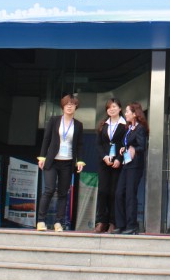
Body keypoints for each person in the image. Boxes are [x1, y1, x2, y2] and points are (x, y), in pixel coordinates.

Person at [36, 94, 85, 232]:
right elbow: (46, 139)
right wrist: (42, 157)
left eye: (72, 104)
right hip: (52, 161)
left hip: (68, 162)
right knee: (49, 190)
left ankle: (59, 222)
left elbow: (80, 144)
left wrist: (80, 160)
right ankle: (41, 221)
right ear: (63, 106)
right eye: (67, 104)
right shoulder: (54, 120)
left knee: (63, 193)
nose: (69, 106)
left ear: (76, 107)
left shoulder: (78, 125)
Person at [113, 102, 148, 235]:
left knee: (130, 194)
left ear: (135, 114)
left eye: (128, 111)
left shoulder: (140, 128)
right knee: (119, 193)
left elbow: (142, 146)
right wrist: (124, 149)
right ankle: (121, 224)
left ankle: (132, 225)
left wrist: (134, 149)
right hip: (126, 163)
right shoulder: (129, 128)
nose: (126, 114)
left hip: (135, 165)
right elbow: (127, 144)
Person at [94, 98, 126, 233]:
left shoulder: (125, 125)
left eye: (114, 107)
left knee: (114, 192)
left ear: (120, 108)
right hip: (104, 162)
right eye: (109, 107)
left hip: (118, 163)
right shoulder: (103, 124)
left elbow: (125, 144)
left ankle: (113, 222)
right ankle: (101, 221)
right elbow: (99, 144)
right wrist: (104, 156)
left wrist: (119, 158)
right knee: (102, 191)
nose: (111, 109)